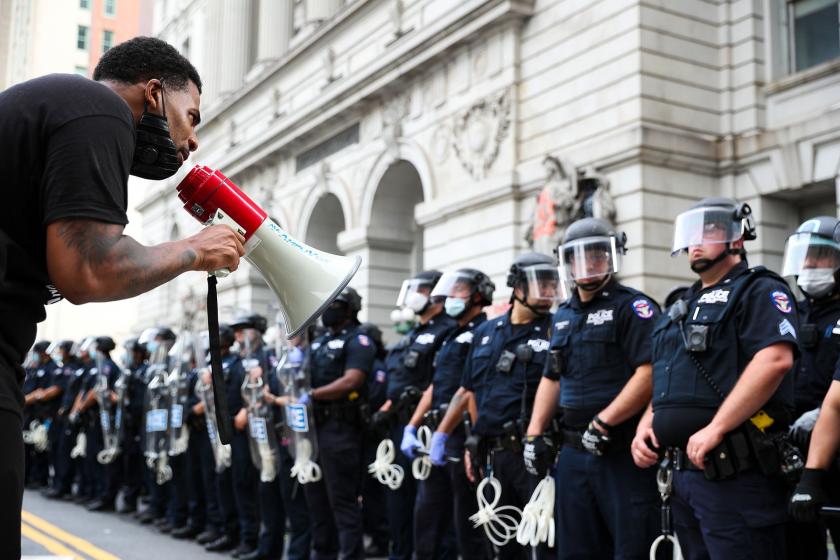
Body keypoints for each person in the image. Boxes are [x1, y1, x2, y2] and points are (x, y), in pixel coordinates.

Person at [0, 36, 245, 555]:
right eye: (192, 116)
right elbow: (88, 270)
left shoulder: (66, 108)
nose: (192, 142)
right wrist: (195, 250)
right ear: (154, 93)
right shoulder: (101, 109)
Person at [631, 197, 798, 559]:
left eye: (708, 230)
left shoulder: (758, 289)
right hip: (684, 478)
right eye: (690, 233)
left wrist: (717, 427)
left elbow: (775, 359)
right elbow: (667, 372)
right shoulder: (681, 304)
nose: (695, 241)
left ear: (737, 236)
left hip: (736, 475)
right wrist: (650, 420)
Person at [524, 218, 661, 559]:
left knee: (632, 546)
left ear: (613, 258)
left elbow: (651, 371)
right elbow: (552, 376)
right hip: (572, 452)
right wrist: (533, 434)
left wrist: (605, 421)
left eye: (598, 256)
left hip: (620, 449)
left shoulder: (633, 307)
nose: (588, 264)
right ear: (567, 263)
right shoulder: (562, 316)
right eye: (579, 257)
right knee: (575, 549)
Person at [433, 253, 559, 559]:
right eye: (539, 283)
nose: (548, 291)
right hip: (493, 454)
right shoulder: (485, 333)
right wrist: (471, 439)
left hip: (534, 454)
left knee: (542, 542)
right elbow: (470, 390)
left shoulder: (557, 328)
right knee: (501, 543)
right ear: (517, 288)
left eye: (551, 284)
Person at [402, 268, 495, 559]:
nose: (451, 298)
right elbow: (435, 385)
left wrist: (471, 440)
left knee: (468, 524)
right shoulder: (451, 334)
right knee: (427, 517)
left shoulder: (484, 333)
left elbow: (471, 391)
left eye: (459, 291)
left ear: (478, 295)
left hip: (460, 435)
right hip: (439, 434)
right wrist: (412, 425)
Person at [379, 270, 457, 560]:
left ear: (437, 295)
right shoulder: (413, 332)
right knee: (399, 499)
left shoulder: (447, 330)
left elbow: (441, 382)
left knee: (433, 507)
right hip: (401, 426)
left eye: (421, 290)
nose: (415, 296)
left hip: (428, 428)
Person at [300, 287, 376, 559]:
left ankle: (350, 555)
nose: (327, 310)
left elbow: (351, 380)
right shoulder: (319, 342)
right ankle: (323, 554)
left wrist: (311, 395)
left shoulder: (359, 340)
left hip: (341, 430)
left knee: (342, 502)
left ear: (349, 308)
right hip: (314, 429)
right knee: (316, 500)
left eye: (335, 305)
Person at [781, 217, 840, 558]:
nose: (810, 266)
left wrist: (820, 415)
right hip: (791, 456)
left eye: (820, 257)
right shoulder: (787, 314)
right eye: (805, 257)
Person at [22, 340, 58, 489]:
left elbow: (43, 393)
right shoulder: (35, 368)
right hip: (29, 412)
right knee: (27, 446)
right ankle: (29, 476)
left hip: (43, 414)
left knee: (40, 446)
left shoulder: (53, 369)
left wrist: (27, 399)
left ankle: (41, 479)